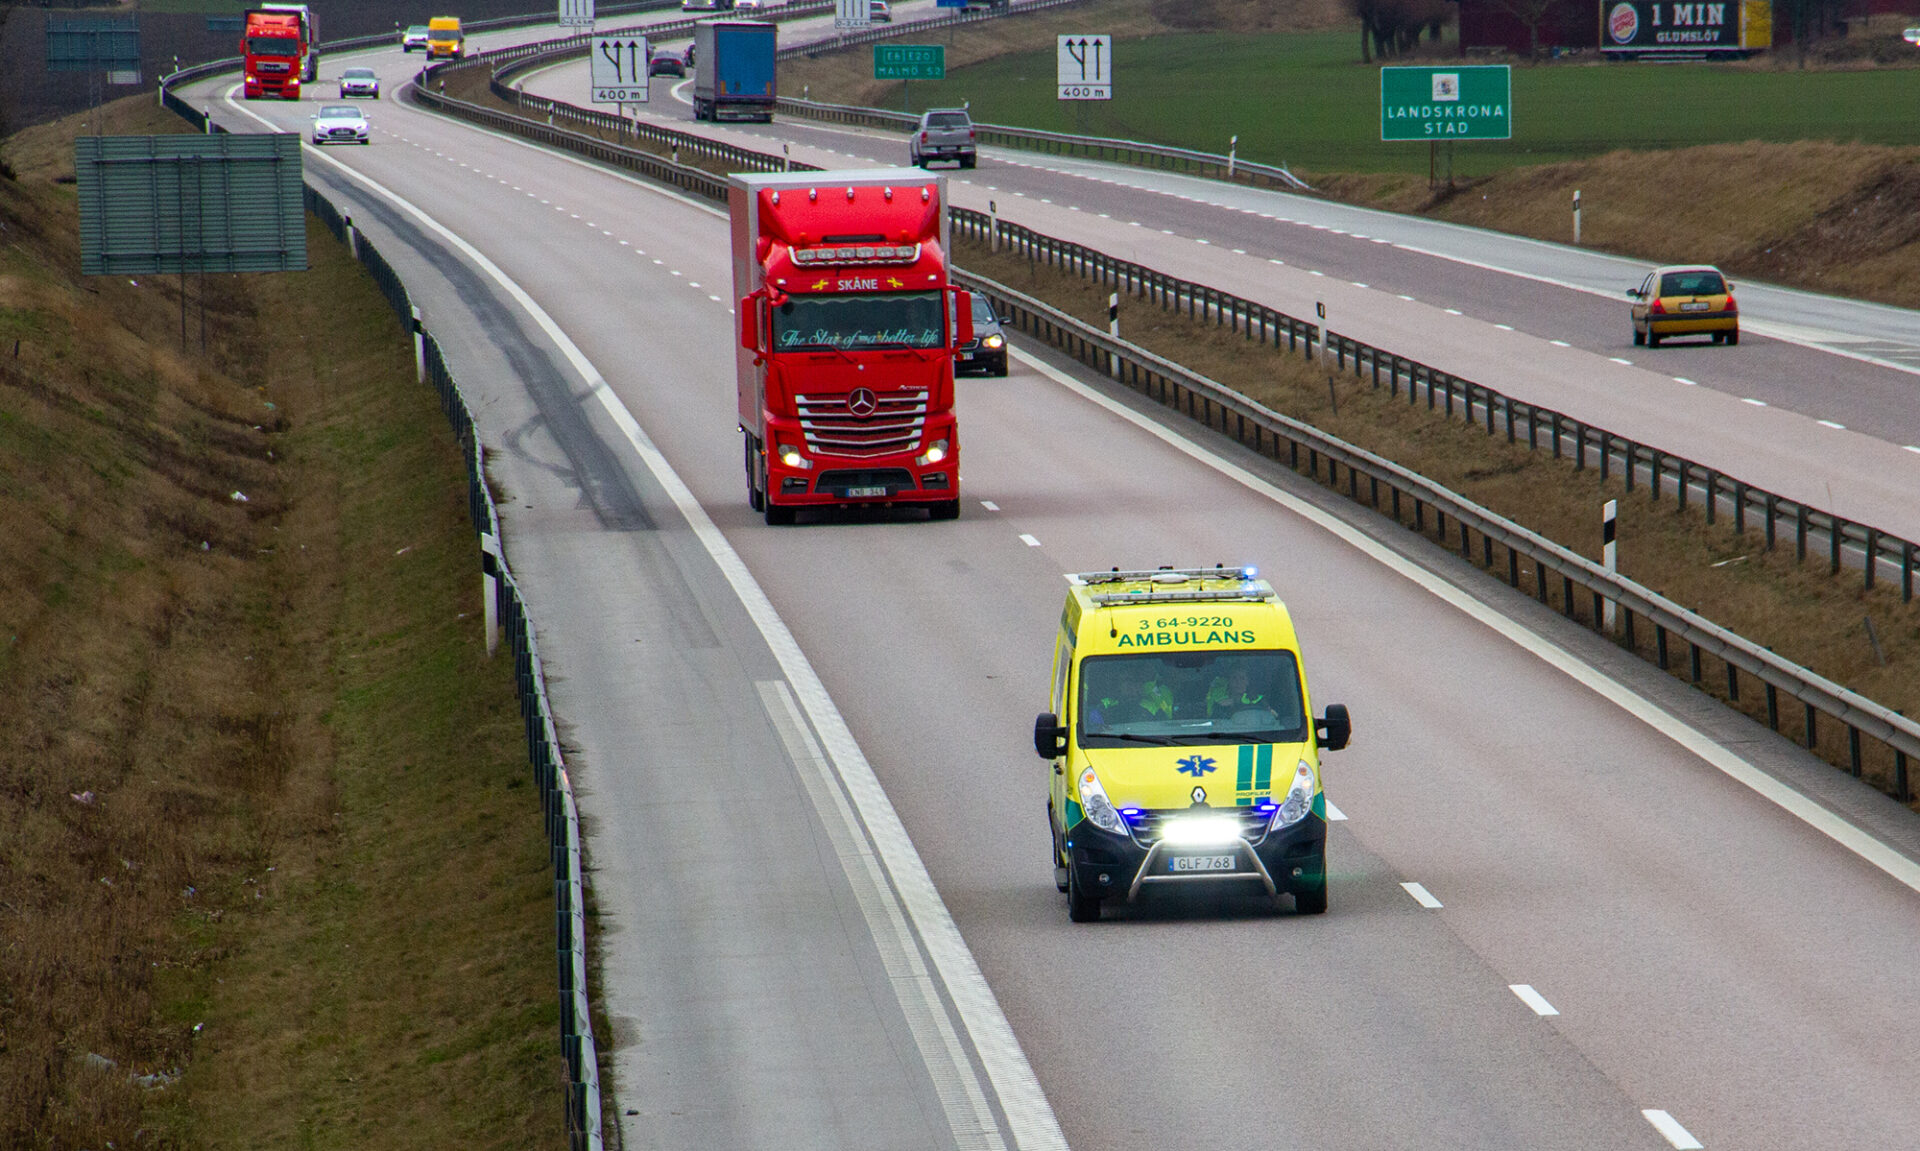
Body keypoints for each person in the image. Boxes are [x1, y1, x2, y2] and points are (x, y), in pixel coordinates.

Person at [1086, 661, 1172, 729]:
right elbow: (1091, 721)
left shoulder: (1152, 707)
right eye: (1128, 681)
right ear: (1118, 684)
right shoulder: (1106, 704)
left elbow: (1163, 730)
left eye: (1136, 681)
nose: (1132, 685)